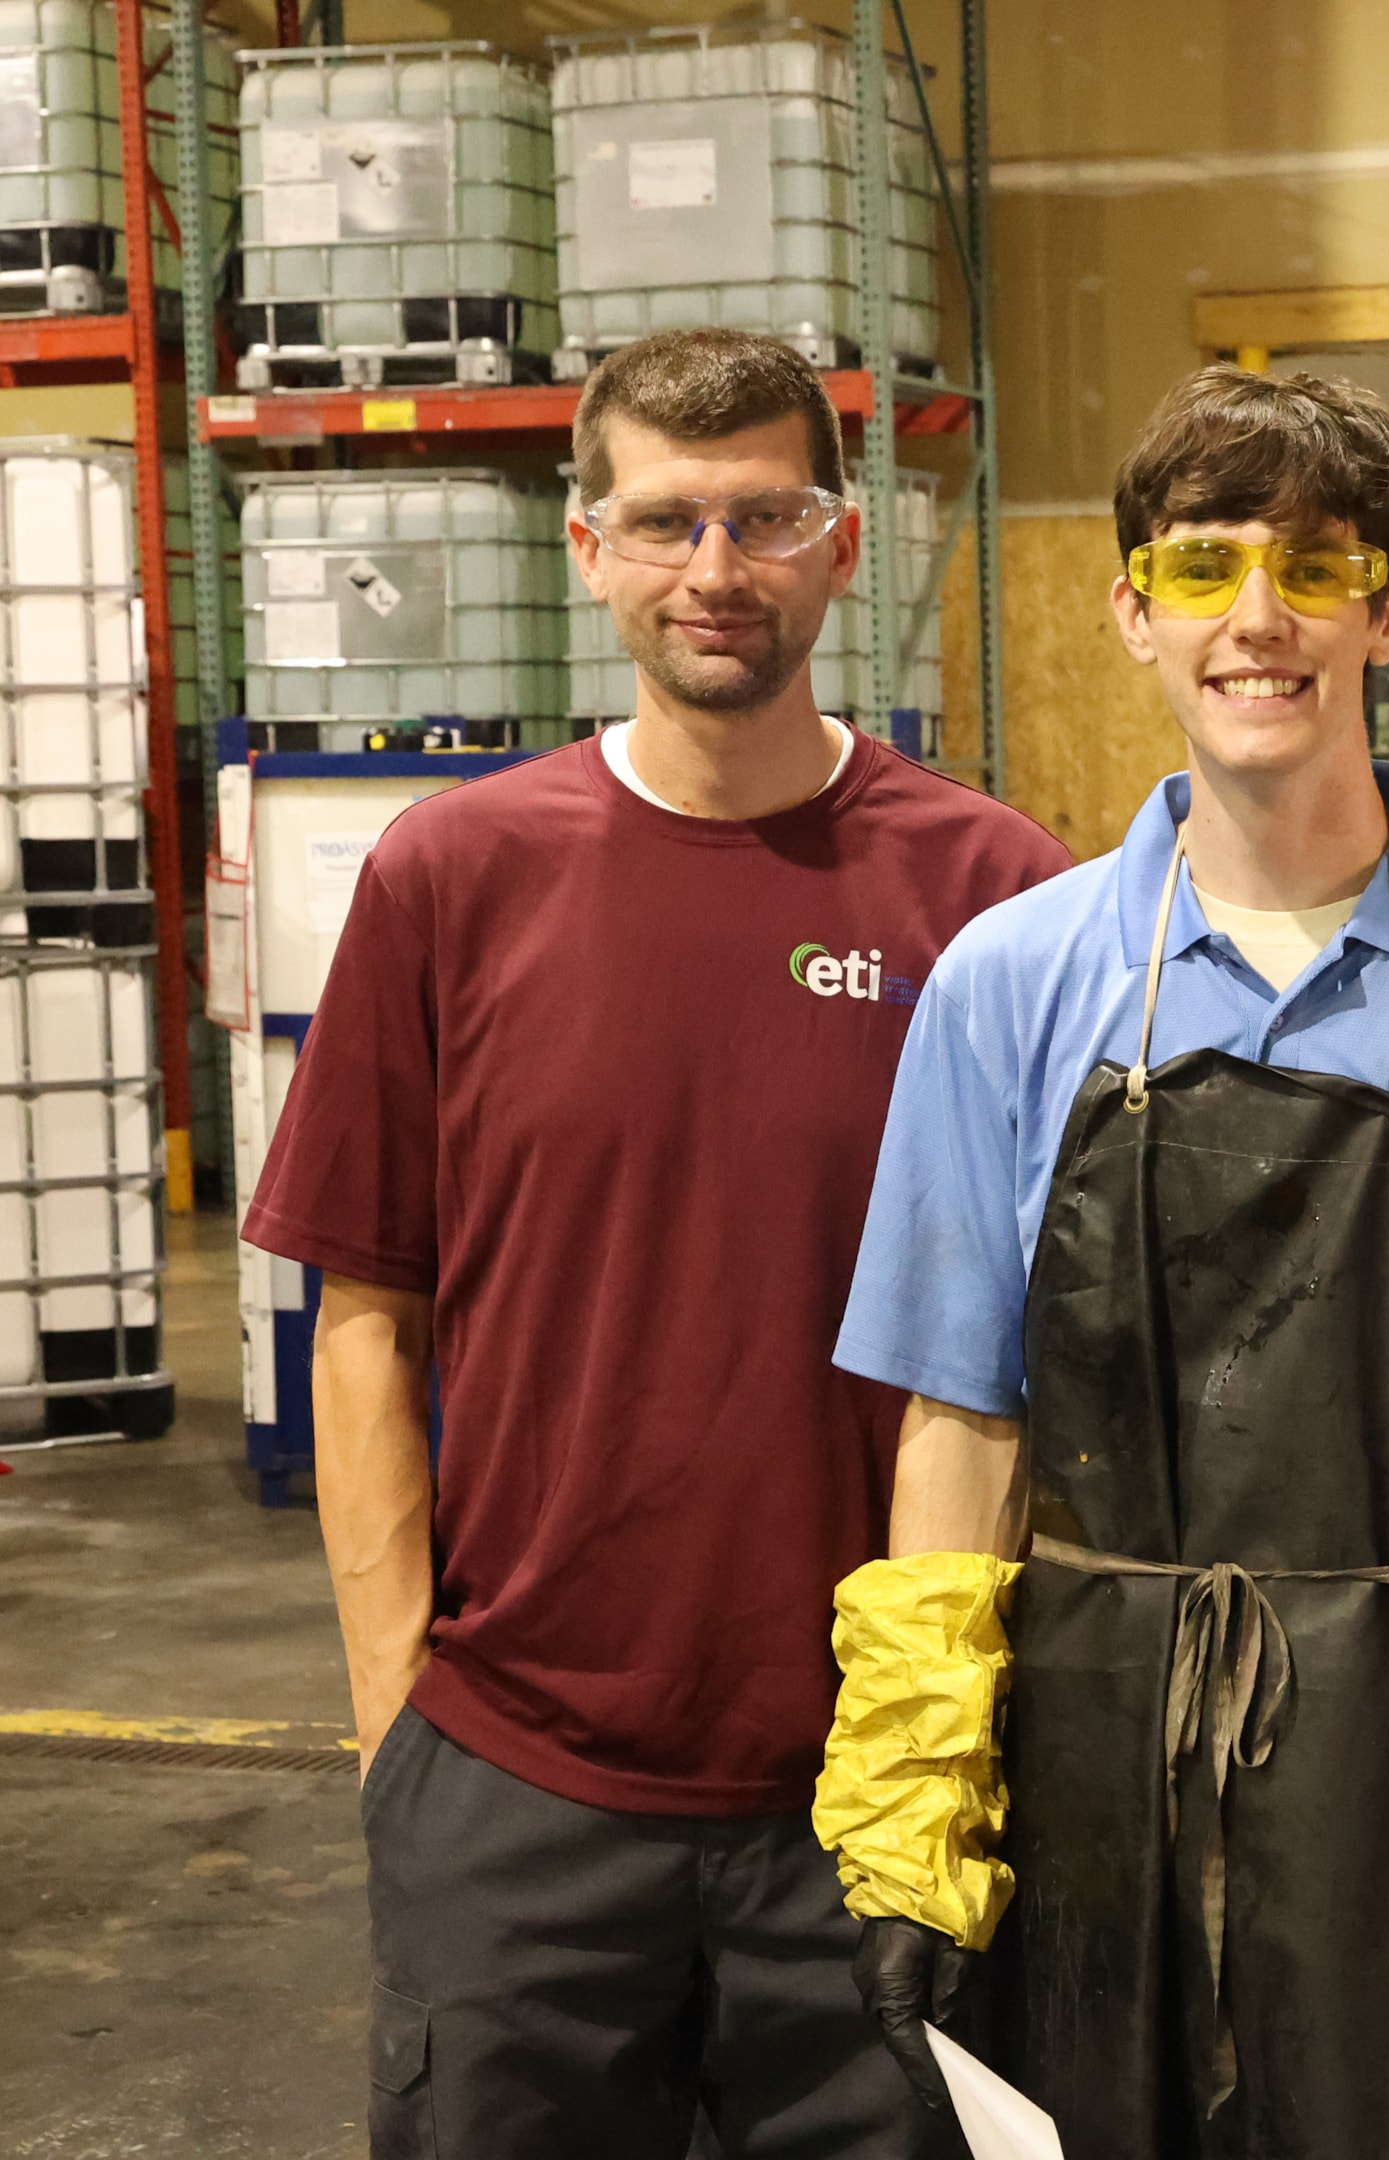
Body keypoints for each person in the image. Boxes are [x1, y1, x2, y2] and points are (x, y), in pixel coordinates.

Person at [807, 364, 1389, 2160]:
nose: (1260, 620)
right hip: (1087, 1757)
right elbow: (965, 1429)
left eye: (1317, 568)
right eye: (1204, 568)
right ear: (1135, 615)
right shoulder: (1011, 982)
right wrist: (914, 1810)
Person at [244, 326, 1072, 2159]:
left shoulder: (994, 898)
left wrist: (962, 1749)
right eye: (670, 521)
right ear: (589, 546)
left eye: (767, 518)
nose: (719, 571)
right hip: (519, 1795)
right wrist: (402, 1736)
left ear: (841, 546)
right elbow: (364, 1319)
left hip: (880, 1797)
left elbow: (1057, 1358)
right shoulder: (453, 879)